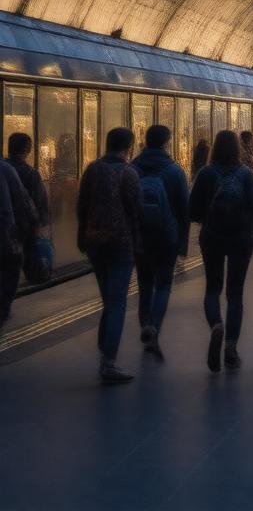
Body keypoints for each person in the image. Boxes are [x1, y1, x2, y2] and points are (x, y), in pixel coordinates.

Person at [189, 129, 253, 371]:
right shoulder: (246, 173)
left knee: (213, 287)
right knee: (235, 292)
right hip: (241, 238)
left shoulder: (206, 173)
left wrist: (207, 218)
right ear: (237, 149)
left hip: (212, 237)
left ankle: (216, 325)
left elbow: (192, 210)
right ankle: (231, 345)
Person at [76, 127, 141, 384]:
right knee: (117, 302)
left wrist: (82, 235)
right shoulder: (129, 173)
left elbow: (82, 205)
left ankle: (105, 350)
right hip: (121, 243)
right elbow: (135, 211)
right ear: (129, 146)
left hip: (95, 242)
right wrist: (138, 244)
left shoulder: (92, 169)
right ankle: (109, 362)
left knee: (107, 298)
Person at [131, 124, 190, 359]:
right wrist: (183, 244)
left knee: (144, 285)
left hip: (140, 236)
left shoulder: (133, 168)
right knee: (163, 285)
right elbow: (184, 210)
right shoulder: (175, 171)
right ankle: (154, 326)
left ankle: (145, 323)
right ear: (167, 142)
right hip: (167, 236)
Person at [1, 155, 37, 330]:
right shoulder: (6, 170)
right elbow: (20, 203)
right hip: (5, 236)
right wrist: (22, 235)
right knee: (10, 271)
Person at [6, 134, 49, 242]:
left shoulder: (3, 169)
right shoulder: (30, 173)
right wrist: (40, 223)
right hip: (24, 226)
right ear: (28, 150)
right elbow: (39, 201)